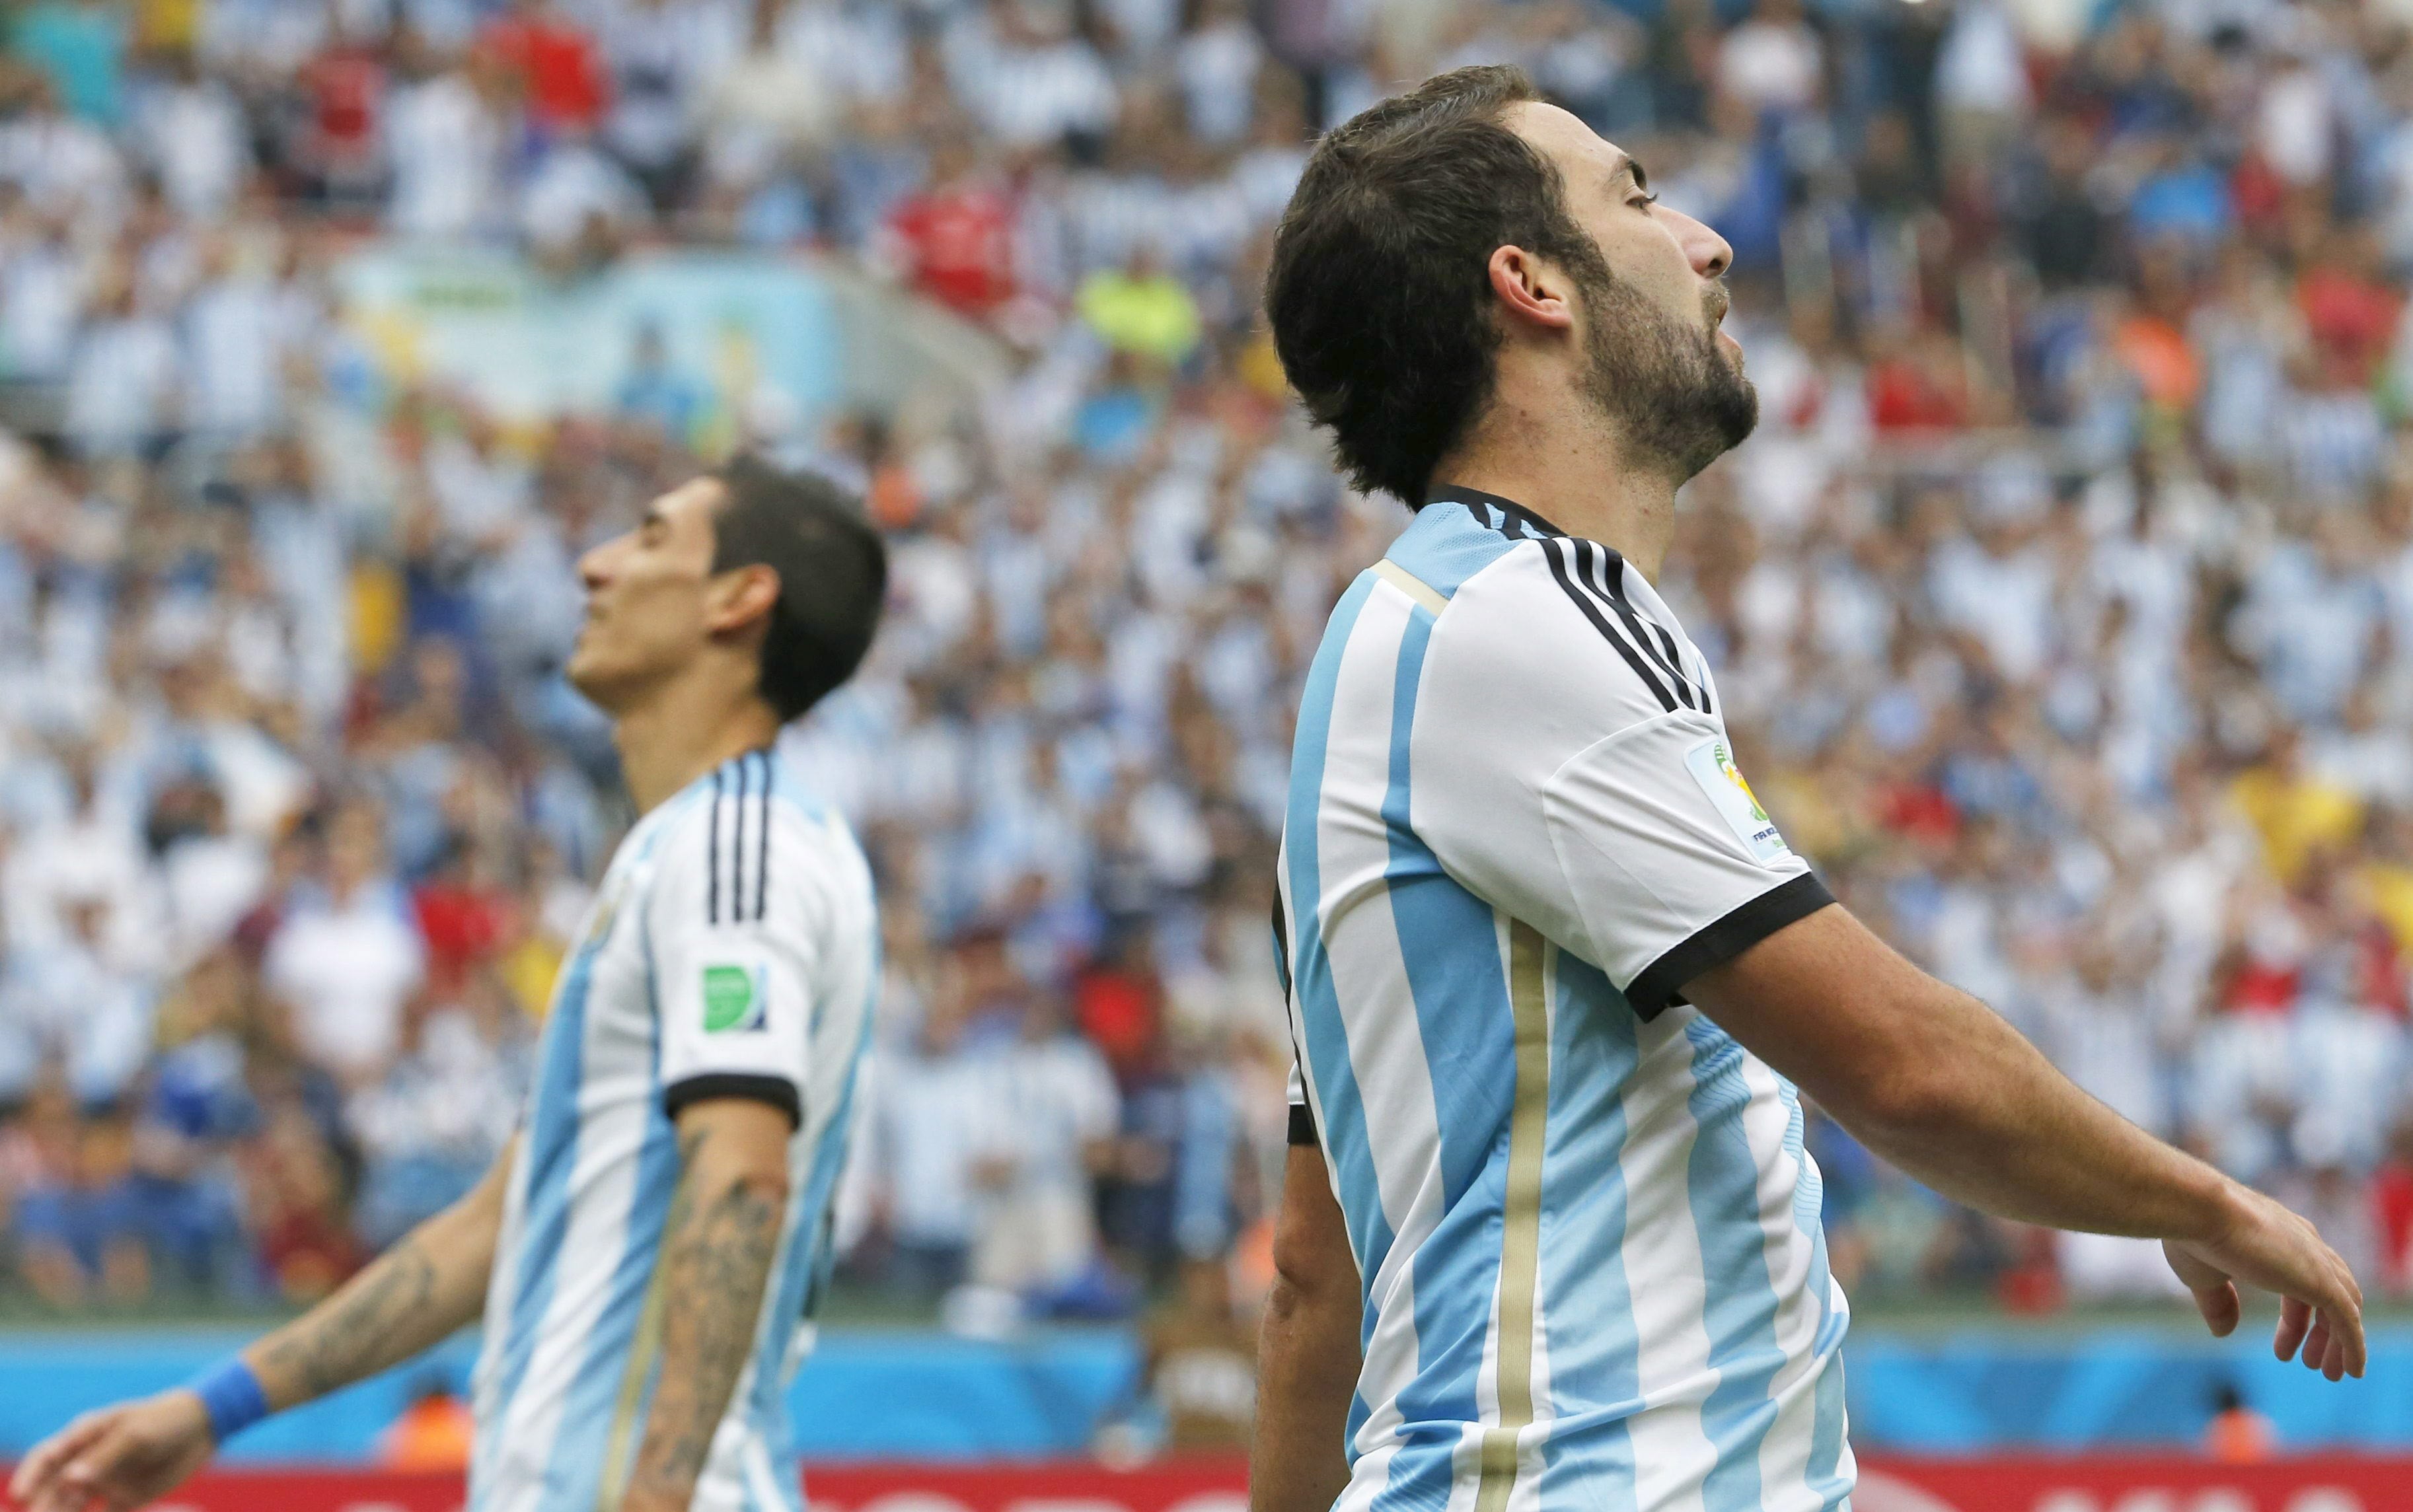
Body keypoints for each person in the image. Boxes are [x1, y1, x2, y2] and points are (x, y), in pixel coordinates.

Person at [1251, 65, 2365, 1512]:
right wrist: (2201, 1199)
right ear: (1530, 285)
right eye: (1635, 198)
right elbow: (1901, 1069)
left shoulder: (1408, 641)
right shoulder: (1515, 625)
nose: (1706, 243)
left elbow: (1304, 1278)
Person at [9, 456, 889, 1512]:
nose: (595, 565)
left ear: (741, 599)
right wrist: (213, 1409)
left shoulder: (734, 846)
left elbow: (742, 1180)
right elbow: (498, 1223)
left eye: (650, 539)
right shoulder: (691, 850)